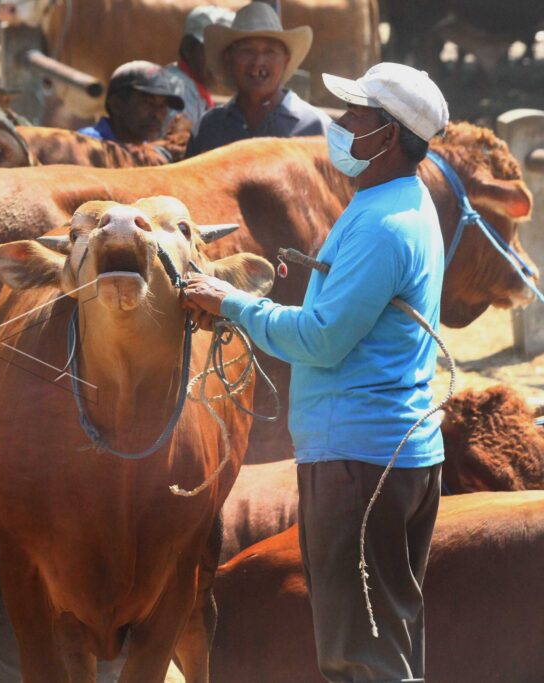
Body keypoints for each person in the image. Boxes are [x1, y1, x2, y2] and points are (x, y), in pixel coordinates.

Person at [181, 62, 449, 683]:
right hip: (390, 453)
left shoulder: (383, 224)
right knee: (387, 638)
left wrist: (231, 303)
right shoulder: (400, 204)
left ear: (386, 134)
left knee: (358, 652)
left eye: (356, 115)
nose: (340, 123)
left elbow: (322, 339)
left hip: (360, 461)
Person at [187, 1, 329, 156]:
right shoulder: (209, 127)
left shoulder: (315, 127)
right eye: (247, 51)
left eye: (270, 51)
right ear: (229, 58)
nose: (258, 62)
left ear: (286, 60)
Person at [77, 60, 185, 148]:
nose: (157, 114)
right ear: (116, 105)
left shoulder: (150, 156)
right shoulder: (85, 144)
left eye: (163, 105)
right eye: (148, 102)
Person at [164, 5, 234, 135]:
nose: (219, 62)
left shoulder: (194, 87)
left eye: (225, 53)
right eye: (210, 51)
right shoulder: (180, 90)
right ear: (189, 49)